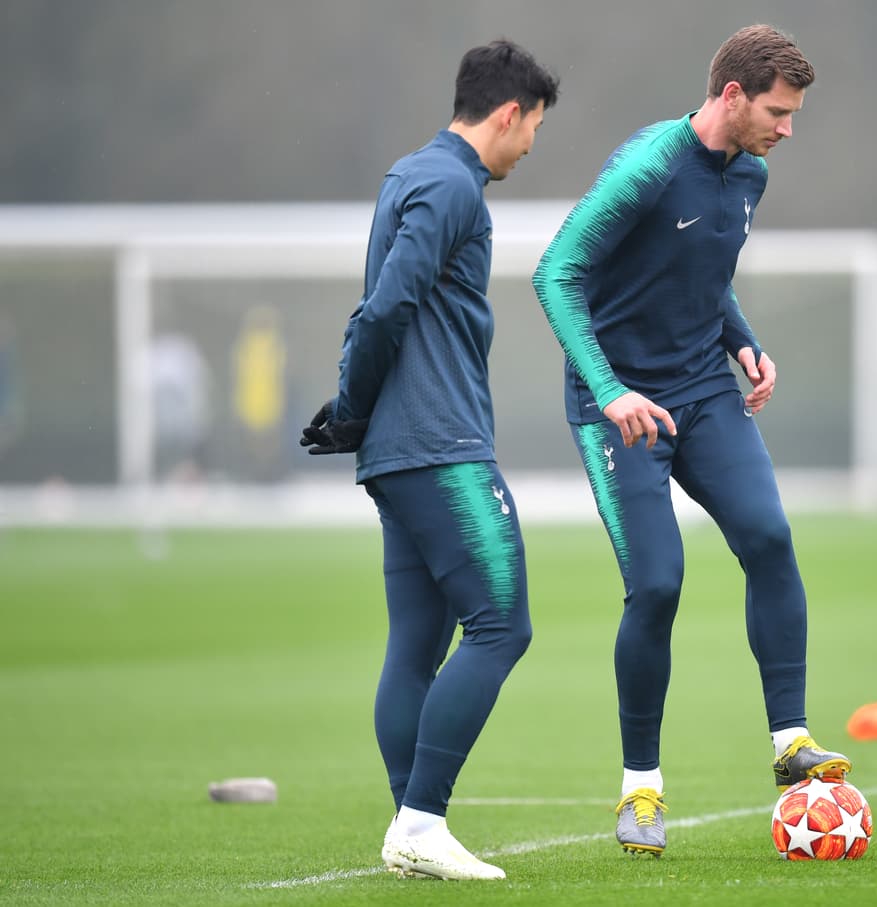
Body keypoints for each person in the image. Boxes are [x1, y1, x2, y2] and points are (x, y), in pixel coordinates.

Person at [531, 24, 849, 858]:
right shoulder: (647, 166)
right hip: (620, 404)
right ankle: (641, 790)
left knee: (771, 538)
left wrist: (742, 340)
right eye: (779, 111)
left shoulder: (753, 172)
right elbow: (555, 272)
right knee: (659, 584)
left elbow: (707, 270)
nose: (789, 128)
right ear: (733, 96)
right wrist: (609, 390)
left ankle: (791, 740)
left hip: (705, 390)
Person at [300, 39, 558, 881]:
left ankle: (409, 824)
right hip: (440, 447)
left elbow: (380, 309)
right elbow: (384, 309)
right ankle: (420, 820)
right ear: (509, 112)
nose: (530, 149)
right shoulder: (452, 186)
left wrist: (356, 416)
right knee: (501, 625)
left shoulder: (409, 174)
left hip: (397, 453)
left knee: (416, 642)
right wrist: (351, 402)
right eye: (533, 131)